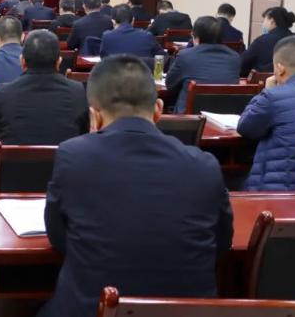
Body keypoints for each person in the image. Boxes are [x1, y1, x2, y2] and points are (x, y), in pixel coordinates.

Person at [41, 55, 233, 317]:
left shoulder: (72, 156)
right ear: (158, 110)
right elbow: (221, 243)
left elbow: (58, 237)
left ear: (94, 117)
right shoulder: (205, 165)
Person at [238, 36, 295, 190]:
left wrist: (267, 91)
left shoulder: (273, 97)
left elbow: (246, 128)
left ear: (279, 68)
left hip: (280, 194)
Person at [0, 30, 88, 146]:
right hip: (64, 158)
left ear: (22, 61)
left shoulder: (1, 93)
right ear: (59, 62)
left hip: (16, 159)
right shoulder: (78, 92)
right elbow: (85, 133)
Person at [165, 16, 241, 113]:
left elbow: (169, 84)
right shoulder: (235, 58)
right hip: (225, 116)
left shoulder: (185, 56)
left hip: (190, 118)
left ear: (196, 38)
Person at [240, 7, 295, 76]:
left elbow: (242, 63)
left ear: (272, 21)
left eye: (264, 20)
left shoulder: (261, 41)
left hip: (263, 81)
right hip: (292, 80)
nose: (263, 24)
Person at [99, 5, 165, 58]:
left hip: (116, 70)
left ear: (113, 21)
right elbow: (163, 57)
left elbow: (103, 58)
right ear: (133, 20)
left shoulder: (107, 36)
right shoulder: (147, 35)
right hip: (141, 70)